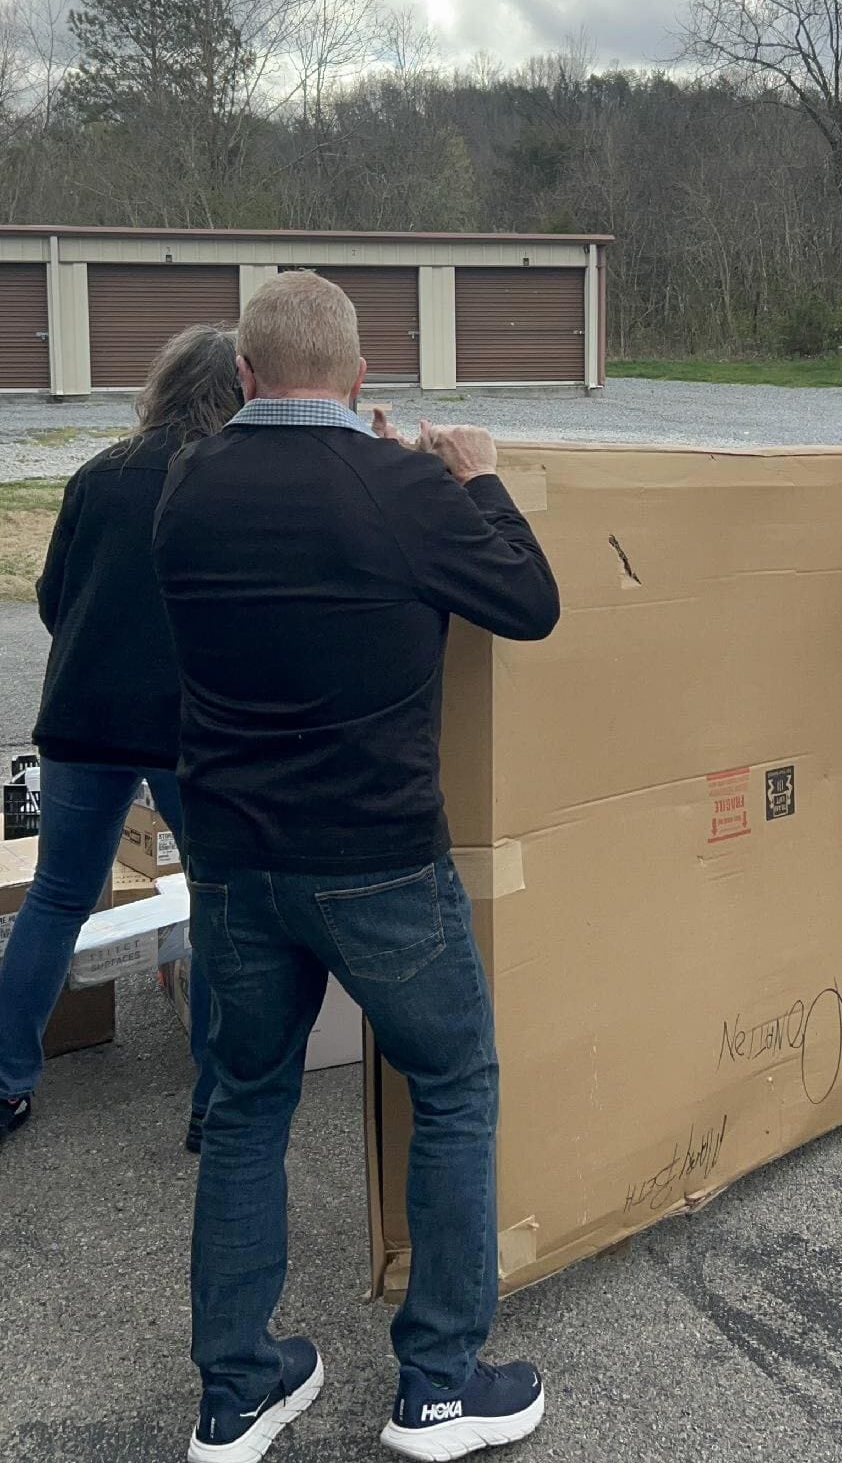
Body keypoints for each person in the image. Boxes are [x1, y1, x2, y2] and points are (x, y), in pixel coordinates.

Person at [152, 270, 560, 1463]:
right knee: (454, 1086)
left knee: (244, 1113)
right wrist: (471, 474)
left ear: (243, 376)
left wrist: (386, 473)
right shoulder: (398, 489)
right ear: (363, 377)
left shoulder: (188, 485)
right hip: (379, 859)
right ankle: (437, 1386)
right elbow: (528, 602)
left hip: (231, 860)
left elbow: (298, 507)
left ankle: (235, 1395)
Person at [0, 325, 243, 1147]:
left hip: (82, 718)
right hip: (190, 730)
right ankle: (213, 1100)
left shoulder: (97, 475)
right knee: (218, 901)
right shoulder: (228, 479)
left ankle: (5, 1083)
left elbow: (52, 597)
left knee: (59, 896)